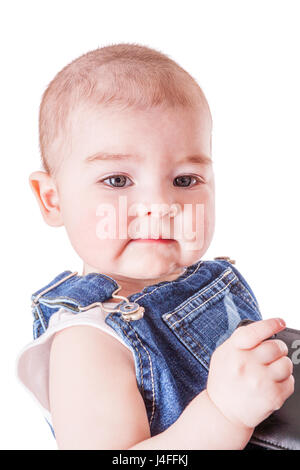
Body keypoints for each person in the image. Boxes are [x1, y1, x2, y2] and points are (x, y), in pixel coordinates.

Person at [16, 43, 294, 450]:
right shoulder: (87, 344)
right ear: (52, 199)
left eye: (184, 180)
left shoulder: (212, 280)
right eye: (117, 181)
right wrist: (223, 412)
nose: (160, 207)